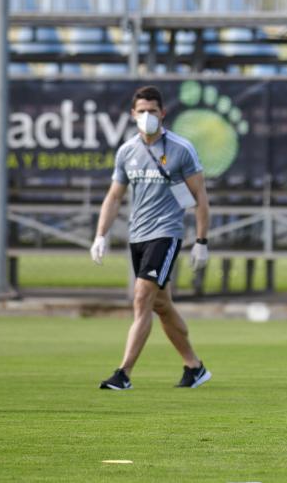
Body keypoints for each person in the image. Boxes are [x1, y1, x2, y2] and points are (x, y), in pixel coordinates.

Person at [90, 85, 212, 390]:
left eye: (152, 111)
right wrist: (100, 235)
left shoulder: (181, 149)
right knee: (162, 306)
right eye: (141, 111)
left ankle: (124, 373)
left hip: (166, 233)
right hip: (138, 235)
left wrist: (201, 241)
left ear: (163, 113)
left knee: (142, 297)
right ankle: (194, 366)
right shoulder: (127, 151)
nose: (147, 116)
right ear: (133, 114)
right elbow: (114, 196)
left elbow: (200, 197)